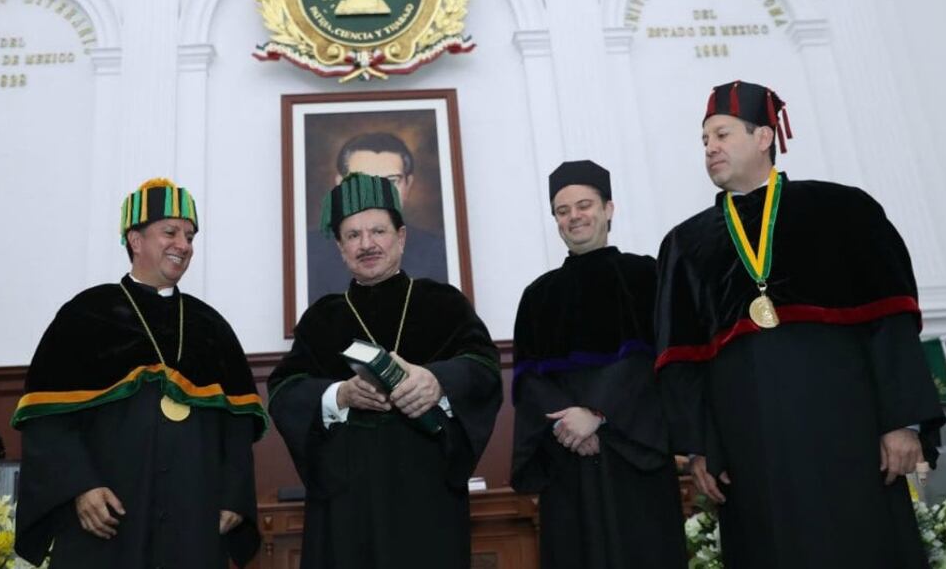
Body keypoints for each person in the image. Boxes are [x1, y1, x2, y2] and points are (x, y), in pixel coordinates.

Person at [655, 81, 944, 568]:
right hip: (751, 449)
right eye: (705, 141)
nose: (710, 148)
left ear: (764, 136)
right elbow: (682, 363)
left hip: (848, 434)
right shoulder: (686, 245)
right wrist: (700, 449)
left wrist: (902, 421)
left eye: (722, 134)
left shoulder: (844, 211)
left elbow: (890, 322)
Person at [12, 178, 267, 569]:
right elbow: (47, 420)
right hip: (108, 523)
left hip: (193, 522)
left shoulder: (210, 325)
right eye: (170, 232)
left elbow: (236, 425)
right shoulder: (84, 315)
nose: (183, 244)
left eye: (190, 235)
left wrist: (234, 496)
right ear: (135, 239)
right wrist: (80, 487)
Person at [269, 172, 501, 569]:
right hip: (345, 503)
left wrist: (436, 381)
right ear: (341, 248)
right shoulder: (322, 319)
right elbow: (285, 390)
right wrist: (339, 394)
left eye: (377, 231)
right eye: (353, 235)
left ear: (401, 236)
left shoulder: (444, 304)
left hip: (426, 496)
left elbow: (482, 369)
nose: (367, 244)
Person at [510, 160, 687, 568]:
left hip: (636, 459)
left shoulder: (647, 276)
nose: (574, 216)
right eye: (563, 210)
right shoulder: (538, 296)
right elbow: (528, 384)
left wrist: (598, 414)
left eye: (584, 205)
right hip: (567, 463)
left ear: (609, 209)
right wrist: (566, 422)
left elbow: (660, 364)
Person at [307, 132, 448, 301]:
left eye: (391, 181)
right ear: (340, 185)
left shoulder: (439, 253)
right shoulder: (308, 252)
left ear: (408, 185)